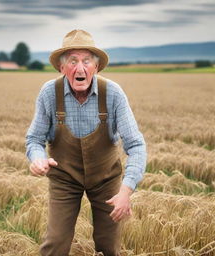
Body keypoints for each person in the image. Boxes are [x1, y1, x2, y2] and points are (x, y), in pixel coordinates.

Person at [26, 29, 147, 256]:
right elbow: (34, 138)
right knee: (55, 243)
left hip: (106, 179)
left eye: (86, 61)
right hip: (64, 178)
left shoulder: (113, 94)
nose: (79, 68)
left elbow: (136, 145)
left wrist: (126, 190)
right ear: (62, 68)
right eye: (72, 61)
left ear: (96, 67)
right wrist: (37, 158)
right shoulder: (49, 93)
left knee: (108, 245)